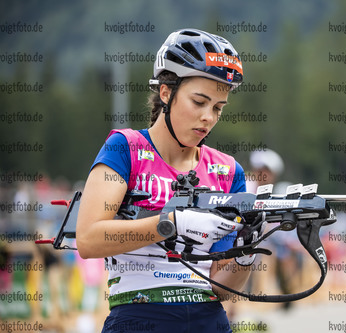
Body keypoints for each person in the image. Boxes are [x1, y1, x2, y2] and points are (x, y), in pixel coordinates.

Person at [76, 28, 264, 332]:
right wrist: (171, 224)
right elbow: (87, 239)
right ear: (166, 92)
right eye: (199, 102)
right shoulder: (125, 147)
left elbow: (222, 289)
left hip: (209, 321)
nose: (209, 117)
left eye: (218, 108)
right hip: (138, 318)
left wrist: (246, 251)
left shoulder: (229, 171)